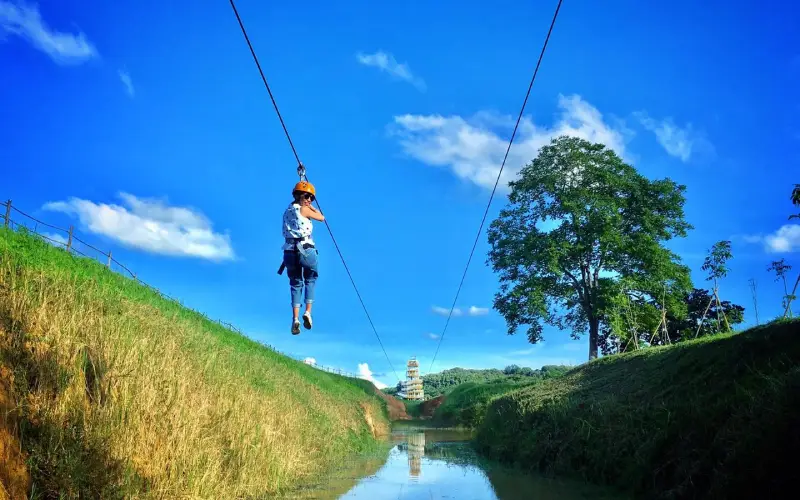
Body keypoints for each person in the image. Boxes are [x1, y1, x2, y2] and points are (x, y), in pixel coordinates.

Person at [281, 180, 324, 335]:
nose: (309, 200)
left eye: (311, 198)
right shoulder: (305, 210)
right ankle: (308, 312)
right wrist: (310, 206)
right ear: (299, 196)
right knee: (311, 279)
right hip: (306, 249)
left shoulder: (287, 211)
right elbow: (321, 217)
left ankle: (295, 318)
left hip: (289, 252)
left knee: (295, 283)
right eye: (307, 196)